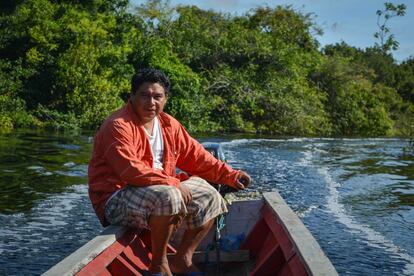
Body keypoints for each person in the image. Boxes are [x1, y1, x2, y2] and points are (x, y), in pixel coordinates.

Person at [88, 68, 251, 276]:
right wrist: (173, 183)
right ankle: (158, 266)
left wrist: (231, 175)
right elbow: (130, 171)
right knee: (170, 195)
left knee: (209, 195)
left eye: (157, 96)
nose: (151, 102)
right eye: (144, 95)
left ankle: (183, 258)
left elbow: (197, 157)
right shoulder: (118, 126)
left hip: (156, 192)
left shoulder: (168, 125)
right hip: (116, 197)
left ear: (165, 99)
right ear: (132, 97)